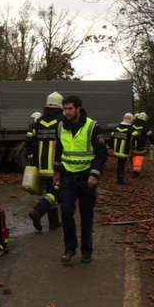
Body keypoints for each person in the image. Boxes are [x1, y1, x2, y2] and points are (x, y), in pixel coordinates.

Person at [53, 94, 107, 264]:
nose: (67, 112)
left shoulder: (92, 127)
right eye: (65, 109)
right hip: (68, 177)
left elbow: (101, 152)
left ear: (78, 108)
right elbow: (58, 150)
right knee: (66, 211)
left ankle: (86, 250)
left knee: (86, 215)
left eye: (70, 109)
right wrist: (56, 172)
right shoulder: (60, 126)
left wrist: (94, 173)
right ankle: (69, 248)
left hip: (86, 177)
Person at [26, 91, 64, 232]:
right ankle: (38, 212)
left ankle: (53, 222)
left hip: (42, 166)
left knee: (50, 192)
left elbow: (32, 144)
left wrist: (34, 162)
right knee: (57, 193)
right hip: (56, 166)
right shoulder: (62, 122)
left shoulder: (38, 122)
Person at [110, 112, 136, 185]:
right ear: (131, 119)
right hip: (125, 151)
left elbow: (111, 138)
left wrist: (112, 147)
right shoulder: (131, 129)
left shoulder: (116, 127)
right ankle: (120, 180)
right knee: (121, 165)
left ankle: (119, 178)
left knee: (120, 164)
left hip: (117, 150)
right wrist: (133, 148)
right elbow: (133, 140)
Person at [131, 112, 153, 177]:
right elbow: (150, 135)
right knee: (138, 158)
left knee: (134, 157)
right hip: (141, 145)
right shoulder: (146, 125)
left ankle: (135, 169)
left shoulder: (133, 123)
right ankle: (136, 172)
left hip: (132, 145)